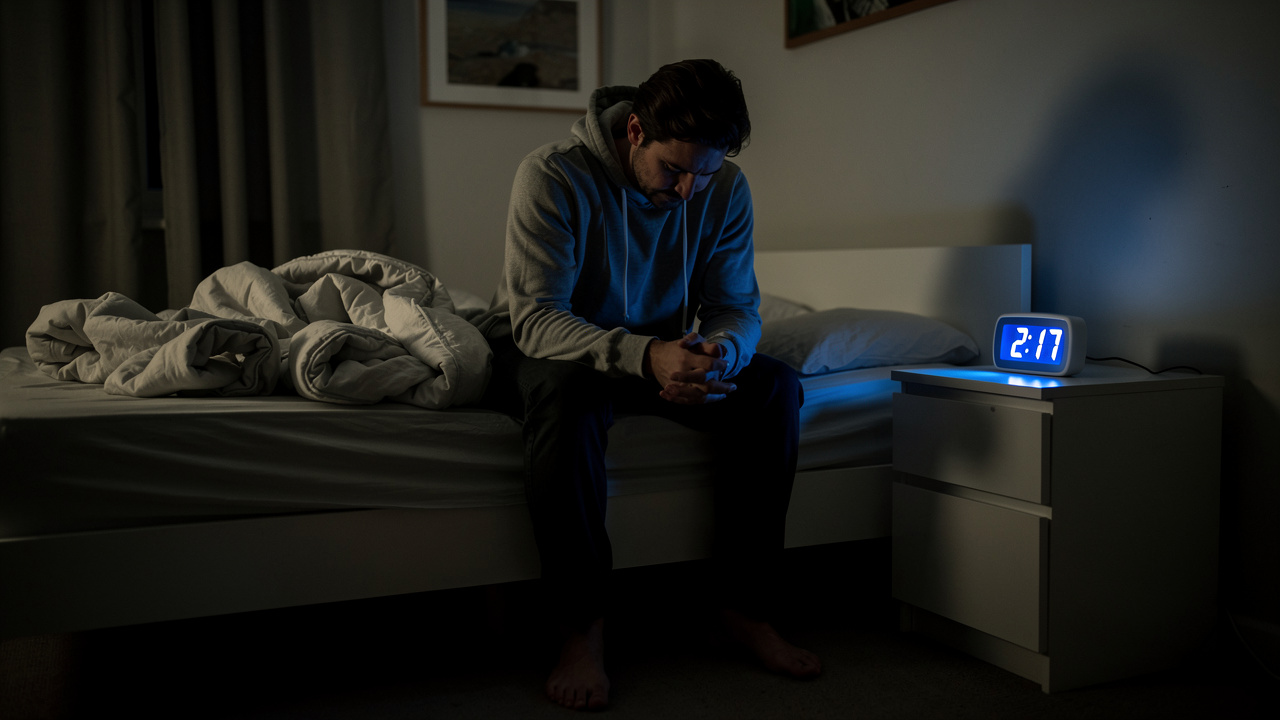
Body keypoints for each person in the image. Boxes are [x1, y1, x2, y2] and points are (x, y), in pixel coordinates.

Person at [474, 58, 820, 711]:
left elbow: (737, 305)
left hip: (658, 347)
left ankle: (744, 609)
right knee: (568, 397)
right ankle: (581, 628)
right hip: (552, 347)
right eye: (674, 170)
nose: (689, 190)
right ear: (634, 130)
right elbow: (538, 318)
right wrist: (647, 357)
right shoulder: (552, 175)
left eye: (704, 173)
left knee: (775, 387)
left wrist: (716, 355)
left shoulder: (724, 188)